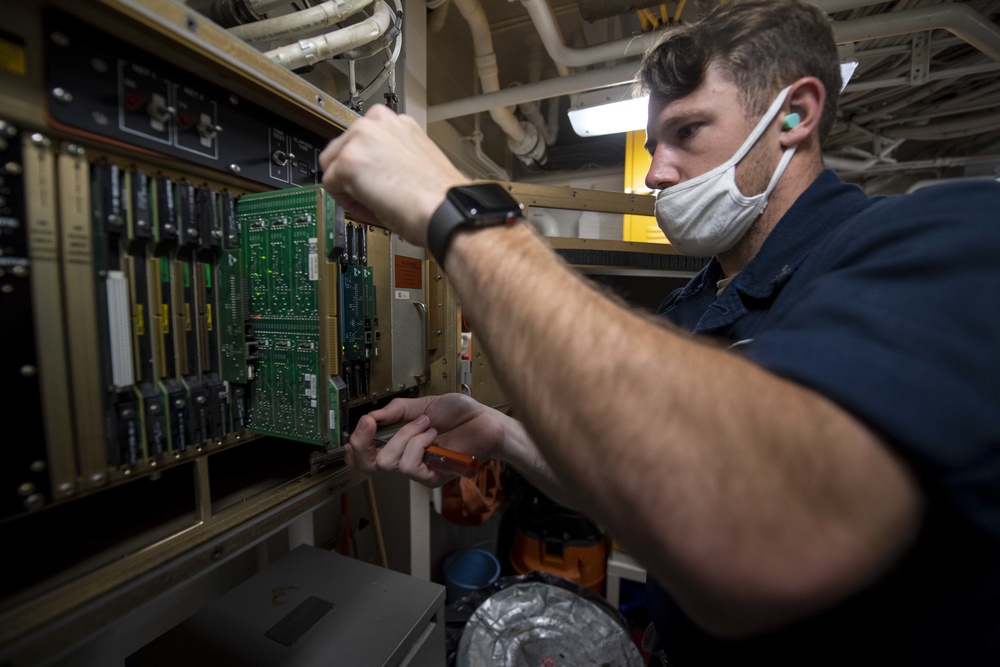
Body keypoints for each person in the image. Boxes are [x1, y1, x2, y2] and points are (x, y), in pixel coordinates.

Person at [319, 0, 1000, 663]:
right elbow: (641, 476)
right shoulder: (695, 304)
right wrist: (500, 433)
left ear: (794, 114)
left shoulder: (936, 240)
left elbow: (773, 530)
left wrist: (459, 215)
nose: (656, 171)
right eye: (653, 144)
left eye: (688, 131)